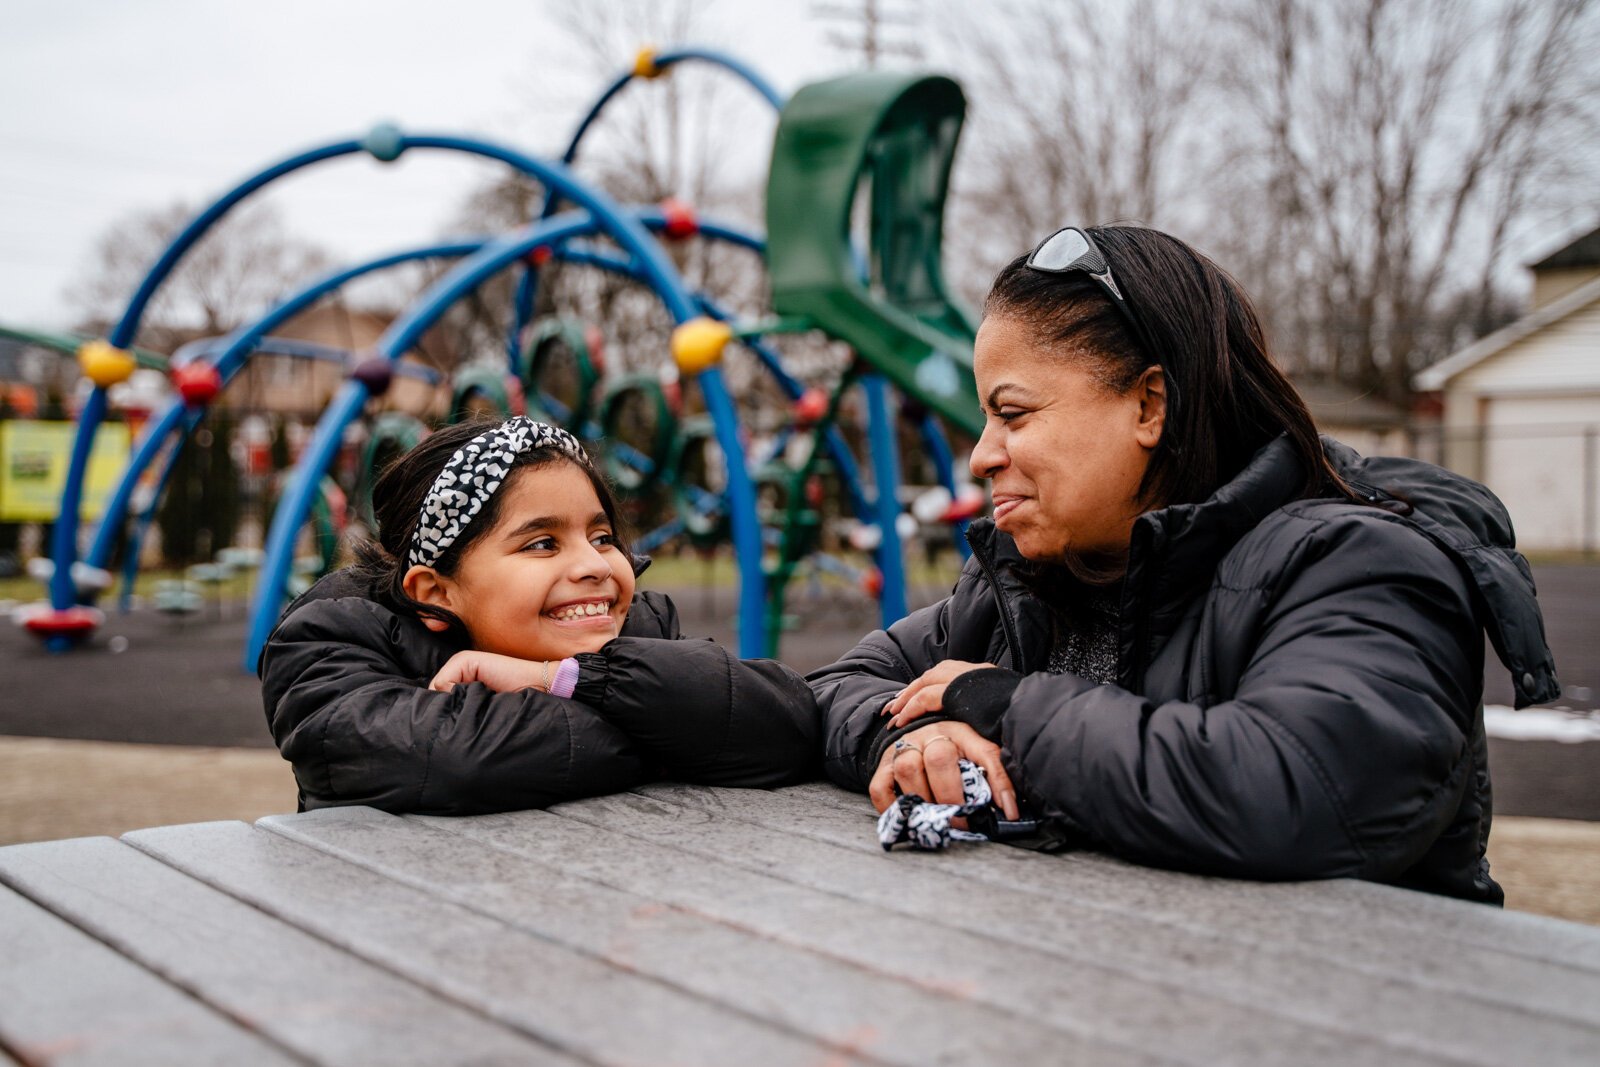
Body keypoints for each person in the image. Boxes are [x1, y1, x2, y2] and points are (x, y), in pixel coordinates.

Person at [810, 224, 1558, 903]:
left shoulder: (1364, 565)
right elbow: (835, 689)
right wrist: (916, 739)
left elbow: (1299, 792)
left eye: (1012, 413)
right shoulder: (1034, 584)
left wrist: (1005, 709)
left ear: (1149, 406)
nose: (981, 454)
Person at [261, 416, 818, 815]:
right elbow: (456, 761)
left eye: (601, 536)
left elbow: (786, 726)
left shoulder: (632, 625)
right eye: (541, 544)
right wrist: (667, 729)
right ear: (435, 591)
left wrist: (561, 679)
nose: (595, 565)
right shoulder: (331, 642)